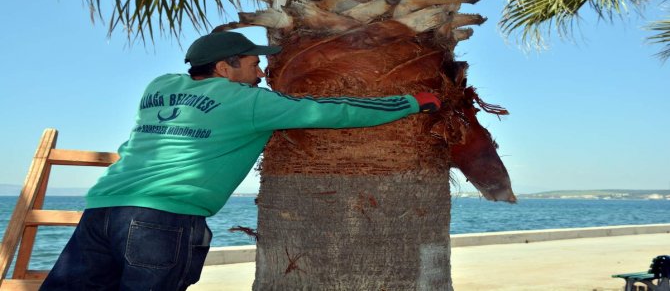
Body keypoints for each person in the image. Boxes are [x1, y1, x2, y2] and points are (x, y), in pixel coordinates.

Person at [40, 31, 441, 290]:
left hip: (102, 209)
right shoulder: (251, 103)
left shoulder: (158, 86)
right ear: (223, 66)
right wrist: (409, 102)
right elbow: (333, 110)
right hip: (161, 220)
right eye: (252, 63)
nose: (262, 70)